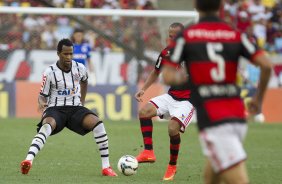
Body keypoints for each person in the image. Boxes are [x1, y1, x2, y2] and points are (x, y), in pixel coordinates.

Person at [161, 0, 272, 183]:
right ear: (220, 5)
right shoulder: (234, 33)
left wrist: (185, 78)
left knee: (237, 178)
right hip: (237, 114)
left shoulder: (187, 36)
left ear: (195, 6)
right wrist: (258, 100)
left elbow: (167, 76)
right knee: (211, 174)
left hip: (213, 118)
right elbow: (266, 65)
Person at [20, 38, 117, 177]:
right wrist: (41, 102)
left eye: (71, 54)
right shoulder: (50, 72)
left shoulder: (80, 68)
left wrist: (81, 101)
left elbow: (85, 81)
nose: (69, 57)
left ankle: (106, 167)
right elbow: (42, 95)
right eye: (65, 54)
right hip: (55, 109)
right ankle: (28, 160)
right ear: (58, 53)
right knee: (47, 126)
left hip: (75, 108)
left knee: (98, 124)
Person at [134, 23, 195, 181]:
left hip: (187, 101)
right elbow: (156, 72)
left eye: (176, 35)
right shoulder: (166, 53)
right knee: (144, 111)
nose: (172, 38)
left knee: (172, 128)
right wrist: (144, 89)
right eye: (170, 35)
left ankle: (172, 165)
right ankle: (148, 152)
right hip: (171, 96)